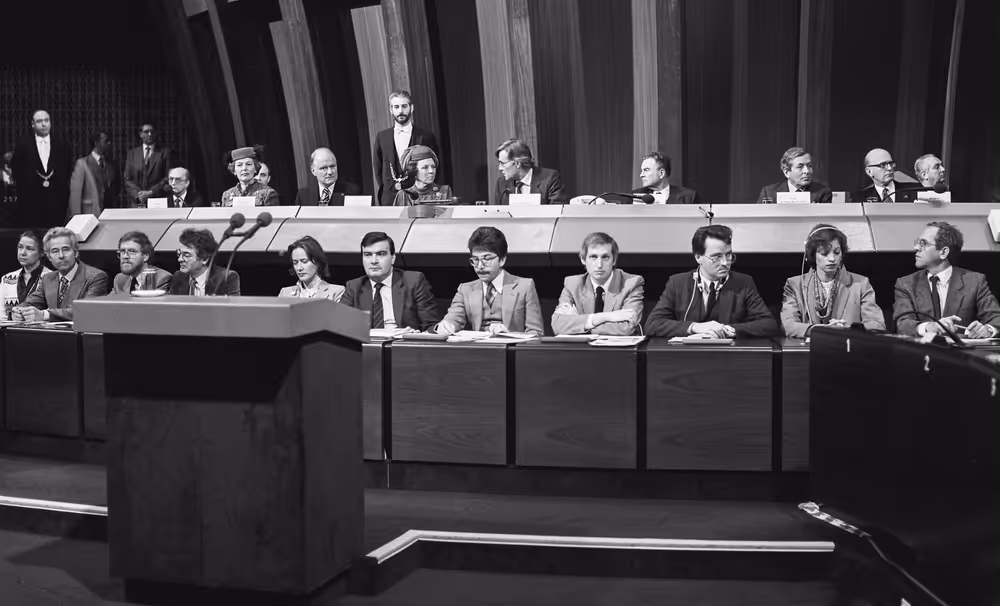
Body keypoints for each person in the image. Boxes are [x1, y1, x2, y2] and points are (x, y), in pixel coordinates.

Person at [644, 225, 777, 338]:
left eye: (728, 255)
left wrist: (727, 330)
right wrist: (695, 327)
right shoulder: (677, 283)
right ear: (698, 257)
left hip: (729, 355)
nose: (725, 263)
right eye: (716, 257)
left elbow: (769, 324)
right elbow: (652, 324)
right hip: (688, 355)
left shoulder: (743, 282)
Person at [893, 221, 1000, 338]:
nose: (916, 248)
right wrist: (930, 327)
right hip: (922, 349)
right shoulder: (906, 284)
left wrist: (987, 330)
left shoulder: (975, 282)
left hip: (961, 349)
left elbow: (996, 319)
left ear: (943, 252)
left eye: (924, 243)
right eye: (918, 242)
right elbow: (902, 324)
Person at [780, 224, 884, 338]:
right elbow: (788, 326)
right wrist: (824, 330)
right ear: (812, 255)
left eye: (836, 252)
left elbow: (877, 325)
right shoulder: (795, 285)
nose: (832, 259)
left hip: (849, 347)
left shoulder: (861, 284)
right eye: (824, 253)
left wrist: (846, 329)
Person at [436, 226, 544, 336]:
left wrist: (509, 335)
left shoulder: (525, 286)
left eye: (487, 259)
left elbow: (536, 333)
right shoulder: (465, 289)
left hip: (509, 345)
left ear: (502, 260)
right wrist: (447, 325)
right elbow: (452, 319)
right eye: (475, 260)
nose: (480, 266)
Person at [341, 232, 440, 331]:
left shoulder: (413, 281)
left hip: (403, 340)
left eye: (380, 254)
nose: (374, 261)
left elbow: (431, 325)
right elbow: (340, 326)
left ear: (393, 258)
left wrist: (415, 335)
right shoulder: (354, 286)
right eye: (368, 255)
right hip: (368, 340)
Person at [551, 232, 644, 335]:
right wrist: (604, 317)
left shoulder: (631, 284)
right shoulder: (573, 285)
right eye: (593, 257)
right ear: (583, 260)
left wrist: (580, 326)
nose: (599, 265)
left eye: (605, 257)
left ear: (614, 260)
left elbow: (626, 328)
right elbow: (558, 325)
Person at [14, 227, 108, 321]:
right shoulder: (47, 278)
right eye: (55, 251)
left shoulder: (96, 277)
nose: (61, 256)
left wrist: (44, 315)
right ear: (49, 257)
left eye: (66, 249)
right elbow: (30, 303)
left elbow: (87, 310)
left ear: (75, 252)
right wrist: (18, 311)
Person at [373, 90, 439, 206]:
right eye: (396, 107)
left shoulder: (425, 136)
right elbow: (378, 169)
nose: (400, 111)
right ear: (391, 109)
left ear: (411, 108)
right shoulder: (382, 137)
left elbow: (435, 166)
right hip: (389, 199)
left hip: (418, 198)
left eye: (404, 106)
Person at [10, 110, 72, 227]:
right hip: (31, 201)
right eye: (39, 121)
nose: (44, 124)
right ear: (33, 124)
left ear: (50, 123)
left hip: (56, 200)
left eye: (46, 120)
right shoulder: (23, 144)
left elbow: (67, 167)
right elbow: (16, 169)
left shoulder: (61, 143)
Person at [169, 228, 240, 296]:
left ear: (204, 259)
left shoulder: (226, 278)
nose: (180, 259)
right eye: (179, 254)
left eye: (186, 255)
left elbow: (232, 304)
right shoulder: (178, 277)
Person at [494, 138, 566, 205]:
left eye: (502, 163)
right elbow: (499, 213)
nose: (500, 168)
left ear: (517, 163)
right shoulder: (501, 184)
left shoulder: (550, 179)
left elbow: (557, 211)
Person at [68, 130, 119, 217]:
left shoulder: (110, 164)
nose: (109, 143)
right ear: (96, 143)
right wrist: (75, 216)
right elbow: (75, 193)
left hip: (108, 213)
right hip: (89, 212)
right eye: (106, 141)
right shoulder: (82, 164)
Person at [1, 231, 51, 319]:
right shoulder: (7, 278)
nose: (22, 253)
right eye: (20, 247)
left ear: (42, 252)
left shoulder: (51, 277)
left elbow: (54, 311)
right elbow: (0, 313)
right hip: (9, 327)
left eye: (30, 249)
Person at [277, 236, 344, 300]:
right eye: (295, 263)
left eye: (304, 262)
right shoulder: (285, 293)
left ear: (317, 262)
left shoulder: (336, 292)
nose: (299, 268)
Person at [756, 147, 832, 204]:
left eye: (809, 166)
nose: (807, 171)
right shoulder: (768, 193)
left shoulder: (823, 193)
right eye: (800, 167)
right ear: (786, 172)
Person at [123, 122, 173, 208]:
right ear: (140, 134)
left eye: (152, 132)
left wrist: (151, 192)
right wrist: (139, 194)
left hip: (157, 201)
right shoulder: (132, 154)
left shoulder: (165, 153)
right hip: (138, 201)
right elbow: (127, 178)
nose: (150, 134)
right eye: (146, 132)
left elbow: (167, 177)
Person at [293, 148, 361, 206]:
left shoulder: (351, 192)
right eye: (324, 168)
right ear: (313, 171)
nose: (330, 172)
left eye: (332, 166)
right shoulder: (303, 195)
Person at [632, 151, 700, 204]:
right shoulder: (634, 196)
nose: (641, 175)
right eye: (642, 170)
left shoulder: (689, 197)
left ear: (661, 173)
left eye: (646, 170)